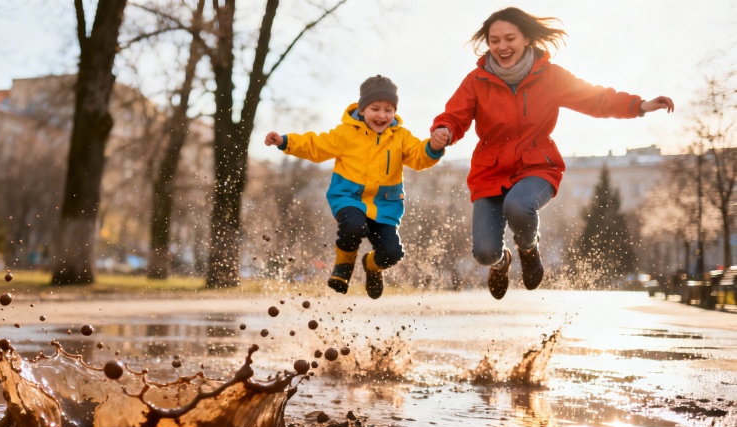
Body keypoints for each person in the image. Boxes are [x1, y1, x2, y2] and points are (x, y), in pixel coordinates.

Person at [430, 7, 674, 300]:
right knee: (484, 252)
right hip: (490, 172)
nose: (502, 47)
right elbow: (454, 116)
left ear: (527, 39)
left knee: (519, 206)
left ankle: (528, 249)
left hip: (537, 166)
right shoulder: (476, 81)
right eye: (494, 40)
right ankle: (501, 262)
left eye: (509, 38)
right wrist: (444, 130)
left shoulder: (549, 76)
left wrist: (639, 105)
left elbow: (594, 98)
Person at [265, 75, 451, 299]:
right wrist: (285, 141)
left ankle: (372, 266)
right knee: (353, 226)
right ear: (362, 109)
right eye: (375, 108)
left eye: (388, 110)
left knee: (392, 253)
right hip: (349, 198)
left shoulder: (401, 137)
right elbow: (316, 146)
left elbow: (419, 158)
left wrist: (433, 147)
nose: (382, 115)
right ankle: (343, 267)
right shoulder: (345, 134)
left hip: (385, 205)